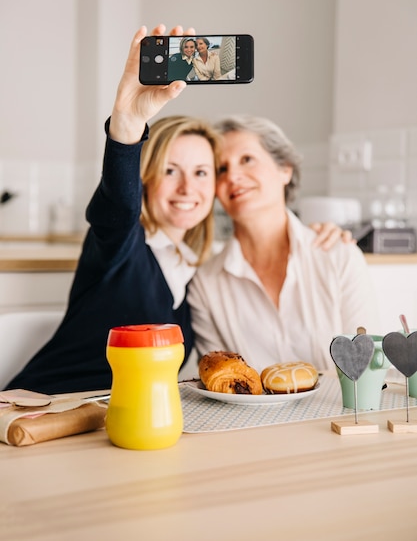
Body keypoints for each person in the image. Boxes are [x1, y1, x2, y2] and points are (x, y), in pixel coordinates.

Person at [6, 26, 352, 395]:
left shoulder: (194, 273)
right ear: (146, 179)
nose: (188, 187)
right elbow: (119, 206)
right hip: (38, 412)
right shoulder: (122, 243)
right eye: (171, 171)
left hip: (113, 425)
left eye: (203, 172)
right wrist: (127, 120)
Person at [187, 114, 380, 373]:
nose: (233, 176)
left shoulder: (339, 255)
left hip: (342, 413)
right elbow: (222, 379)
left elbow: (368, 368)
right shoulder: (204, 284)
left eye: (247, 160)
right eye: (221, 169)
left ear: (285, 169)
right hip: (250, 415)